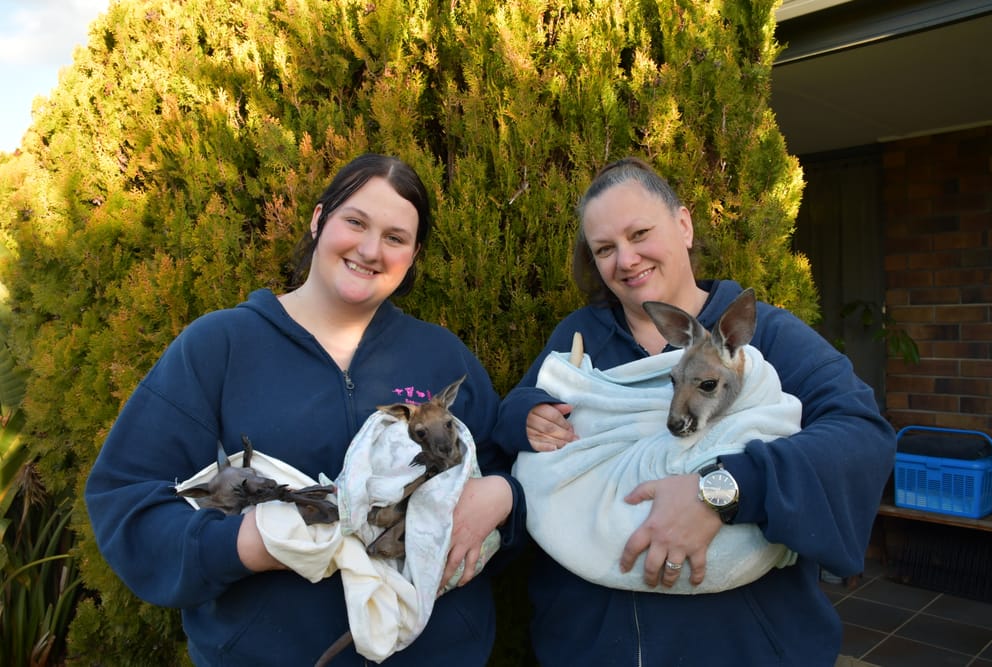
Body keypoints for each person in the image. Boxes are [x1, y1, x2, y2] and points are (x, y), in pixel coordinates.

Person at [85, 153, 525, 666]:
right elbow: (125, 502)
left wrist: (503, 495)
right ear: (319, 220)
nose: (369, 249)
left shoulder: (443, 357)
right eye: (355, 222)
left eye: (395, 237)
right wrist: (246, 544)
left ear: (413, 255)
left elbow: (515, 479)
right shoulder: (219, 346)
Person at [493, 157, 896, 666]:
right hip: (595, 644)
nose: (626, 259)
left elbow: (861, 434)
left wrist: (725, 490)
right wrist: (527, 413)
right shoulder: (581, 340)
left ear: (683, 225)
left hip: (737, 646)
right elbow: (510, 428)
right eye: (604, 249)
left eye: (640, 233)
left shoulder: (762, 337)